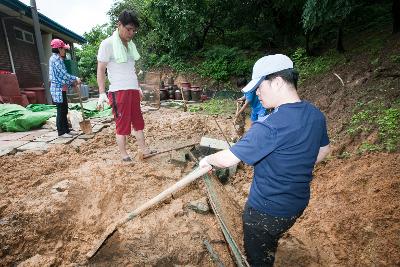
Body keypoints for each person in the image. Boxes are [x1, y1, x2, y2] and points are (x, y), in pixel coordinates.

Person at [199, 54, 331, 266]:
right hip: (296, 205)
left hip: (264, 213)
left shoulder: (269, 125)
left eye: (259, 86)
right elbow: (324, 150)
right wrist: (293, 164)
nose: (256, 92)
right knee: (272, 235)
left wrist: (207, 160)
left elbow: (228, 159)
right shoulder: (315, 115)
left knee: (258, 258)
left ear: (278, 82)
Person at [96, 10, 155, 161]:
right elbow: (101, 69)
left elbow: (131, 70)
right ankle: (124, 155)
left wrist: (138, 87)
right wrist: (102, 93)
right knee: (122, 125)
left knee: (138, 122)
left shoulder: (131, 46)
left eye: (134, 30)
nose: (131, 33)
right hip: (118, 91)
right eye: (128, 29)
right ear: (119, 25)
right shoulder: (107, 44)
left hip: (132, 90)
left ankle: (144, 150)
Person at [49, 39, 81, 137]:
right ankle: (61, 132)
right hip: (57, 89)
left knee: (64, 110)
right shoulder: (55, 59)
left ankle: (66, 130)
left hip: (61, 89)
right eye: (63, 49)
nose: (65, 51)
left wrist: (72, 83)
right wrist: (75, 78)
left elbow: (63, 77)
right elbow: (63, 75)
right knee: (61, 111)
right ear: (59, 48)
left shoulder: (58, 58)